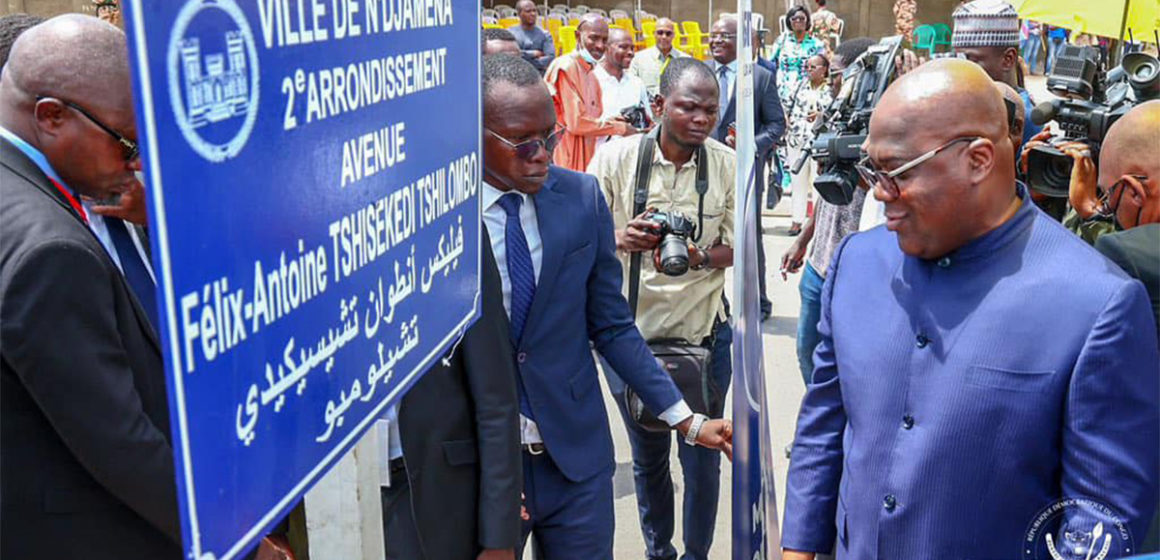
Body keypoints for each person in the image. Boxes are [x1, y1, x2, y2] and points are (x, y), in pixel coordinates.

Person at [780, 59, 1159, 560]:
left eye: (895, 172)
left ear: (978, 160)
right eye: (872, 169)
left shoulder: (1097, 304)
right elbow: (822, 432)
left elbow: (1102, 517)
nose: (877, 192)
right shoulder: (857, 264)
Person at [480, 54, 733, 559]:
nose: (543, 156)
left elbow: (612, 327)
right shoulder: (435, 218)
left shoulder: (578, 198)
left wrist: (686, 418)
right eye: (524, 144)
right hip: (484, 469)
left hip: (576, 462)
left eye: (550, 138)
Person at [0, 14, 181, 558]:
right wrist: (233, 540)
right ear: (52, 117)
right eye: (127, 143)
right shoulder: (51, 253)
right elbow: (119, 443)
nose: (139, 163)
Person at [587, 56, 735, 560]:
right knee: (648, 459)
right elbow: (578, 242)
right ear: (659, 105)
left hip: (705, 339)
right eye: (688, 107)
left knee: (703, 460)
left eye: (710, 110)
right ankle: (660, 552)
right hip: (633, 343)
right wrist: (620, 238)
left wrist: (698, 255)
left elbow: (740, 251)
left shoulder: (728, 165)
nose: (700, 119)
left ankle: (696, 554)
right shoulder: (615, 160)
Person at [380, 228, 523, 559]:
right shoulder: (305, 226)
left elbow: (496, 399)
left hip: (434, 493)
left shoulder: (451, 220)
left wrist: (499, 538)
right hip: (332, 495)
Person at [779, 45, 860, 389]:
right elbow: (824, 192)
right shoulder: (835, 117)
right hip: (817, 264)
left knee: (847, 364)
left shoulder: (888, 126)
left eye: (838, 73)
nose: (830, 81)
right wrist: (803, 239)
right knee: (807, 352)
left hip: (856, 272)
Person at [708, 15, 785, 321]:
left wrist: (749, 146)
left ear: (741, 41)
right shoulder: (699, 73)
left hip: (746, 174)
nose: (715, 41)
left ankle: (758, 302)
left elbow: (776, 124)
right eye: (712, 36)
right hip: (707, 171)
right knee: (709, 237)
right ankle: (718, 304)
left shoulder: (761, 77)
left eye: (723, 36)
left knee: (749, 238)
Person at [544, 14, 637, 172]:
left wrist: (612, 121)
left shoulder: (591, 74)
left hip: (589, 155)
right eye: (593, 38)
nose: (600, 45)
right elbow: (576, 123)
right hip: (566, 157)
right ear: (577, 36)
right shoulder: (566, 67)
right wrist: (618, 128)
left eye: (604, 39)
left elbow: (590, 120)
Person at [953, 0, 1042, 146]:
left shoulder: (1020, 117)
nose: (963, 69)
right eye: (959, 59)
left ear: (1008, 59)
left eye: (972, 61)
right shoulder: (986, 102)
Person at [772, 5, 824, 234]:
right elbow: (769, 64)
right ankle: (796, 218)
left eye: (802, 18)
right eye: (794, 18)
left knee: (815, 174)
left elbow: (827, 69)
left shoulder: (816, 45)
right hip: (786, 103)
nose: (798, 22)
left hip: (811, 102)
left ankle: (816, 221)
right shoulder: (782, 42)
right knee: (794, 169)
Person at [593, 28, 651, 147]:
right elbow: (581, 125)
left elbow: (648, 121)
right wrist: (614, 127)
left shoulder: (637, 83)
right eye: (623, 47)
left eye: (632, 48)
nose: (630, 52)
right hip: (598, 157)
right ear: (606, 48)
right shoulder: (591, 80)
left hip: (631, 156)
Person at [629, 18, 689, 97]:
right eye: (660, 33)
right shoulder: (638, 59)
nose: (664, 37)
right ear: (654, 34)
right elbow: (631, 87)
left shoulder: (686, 60)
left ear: (673, 35)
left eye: (668, 33)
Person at [509, 0, 555, 73]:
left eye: (534, 11)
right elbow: (510, 54)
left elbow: (550, 58)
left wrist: (523, 61)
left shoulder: (545, 34)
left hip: (538, 76)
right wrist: (534, 53)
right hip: (516, 75)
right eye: (528, 11)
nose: (533, 14)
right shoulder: (510, 33)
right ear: (519, 14)